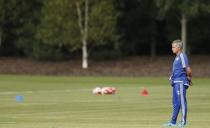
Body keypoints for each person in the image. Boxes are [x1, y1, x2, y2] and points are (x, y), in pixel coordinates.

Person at [167, 40, 192, 127]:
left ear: (179, 48)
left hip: (180, 82)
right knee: (175, 103)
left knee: (182, 102)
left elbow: (188, 69)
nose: (172, 48)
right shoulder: (177, 57)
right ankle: (173, 122)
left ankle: (183, 122)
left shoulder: (182, 56)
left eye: (173, 47)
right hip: (175, 82)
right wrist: (172, 77)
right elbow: (177, 69)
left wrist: (189, 78)